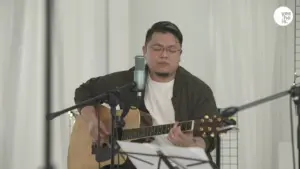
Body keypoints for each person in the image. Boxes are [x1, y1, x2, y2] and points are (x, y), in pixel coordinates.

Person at [74, 21, 219, 169]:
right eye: (157, 48)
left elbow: (209, 137)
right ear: (144, 51)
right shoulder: (130, 80)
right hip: (132, 162)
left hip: (181, 163)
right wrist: (92, 121)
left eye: (172, 50)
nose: (164, 55)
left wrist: (191, 144)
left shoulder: (198, 90)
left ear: (180, 54)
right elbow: (84, 91)